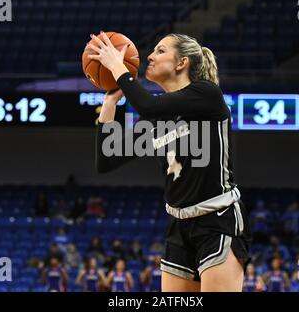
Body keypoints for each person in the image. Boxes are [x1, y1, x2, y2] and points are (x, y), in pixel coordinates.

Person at [88, 32, 251, 292]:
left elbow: (147, 106)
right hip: (178, 226)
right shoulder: (158, 120)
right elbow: (107, 160)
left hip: (217, 219)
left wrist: (119, 68)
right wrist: (109, 103)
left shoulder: (206, 95)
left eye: (160, 50)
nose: (149, 56)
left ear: (181, 62)